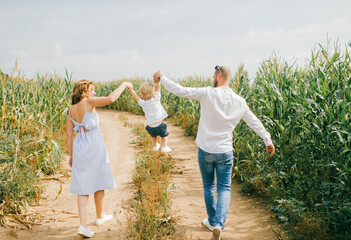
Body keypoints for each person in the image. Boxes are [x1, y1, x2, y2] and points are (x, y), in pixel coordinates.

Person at [153, 66, 275, 240]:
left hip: (206, 150)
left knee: (209, 186)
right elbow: (253, 121)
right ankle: (218, 224)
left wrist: (161, 78)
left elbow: (180, 90)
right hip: (225, 152)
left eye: (213, 75)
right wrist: (267, 139)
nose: (212, 78)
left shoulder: (208, 93)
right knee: (224, 188)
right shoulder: (239, 101)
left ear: (219, 76)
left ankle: (212, 220)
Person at [66, 80, 132, 238]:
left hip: (80, 147)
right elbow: (110, 99)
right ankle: (100, 216)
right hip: (94, 147)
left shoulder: (71, 110)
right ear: (84, 92)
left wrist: (71, 154)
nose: (94, 93)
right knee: (99, 179)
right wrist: (124, 85)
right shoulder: (88, 102)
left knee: (83, 185)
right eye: (92, 90)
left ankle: (84, 224)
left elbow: (69, 134)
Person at [127, 80, 172, 153]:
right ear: (153, 92)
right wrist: (158, 81)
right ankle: (163, 147)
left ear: (142, 94)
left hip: (150, 127)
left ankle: (155, 146)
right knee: (164, 136)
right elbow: (158, 87)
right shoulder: (156, 99)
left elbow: (136, 96)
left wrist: (130, 89)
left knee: (153, 136)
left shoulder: (142, 103)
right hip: (159, 125)